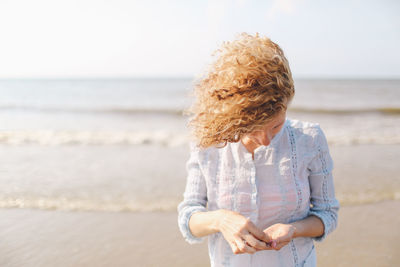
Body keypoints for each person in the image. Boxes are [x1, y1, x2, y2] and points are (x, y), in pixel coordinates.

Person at [177, 33, 339, 267]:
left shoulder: (310, 139)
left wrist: (293, 229)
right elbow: (188, 218)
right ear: (233, 118)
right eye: (251, 129)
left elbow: (328, 214)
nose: (265, 140)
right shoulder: (208, 145)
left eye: (276, 125)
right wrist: (222, 220)